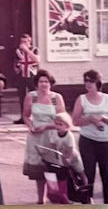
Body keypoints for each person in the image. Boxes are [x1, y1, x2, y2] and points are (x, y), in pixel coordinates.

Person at [71, 69, 108, 204]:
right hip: (88, 141)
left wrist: (104, 118)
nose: (88, 84)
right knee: (88, 174)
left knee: (107, 175)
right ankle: (87, 202)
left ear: (98, 82)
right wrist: (90, 119)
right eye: (85, 81)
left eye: (91, 81)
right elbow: (75, 121)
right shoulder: (81, 99)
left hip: (106, 141)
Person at [21, 69, 66, 204]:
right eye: (41, 81)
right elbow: (25, 115)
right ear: (36, 83)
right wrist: (30, 125)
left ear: (50, 83)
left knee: (52, 169)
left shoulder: (56, 98)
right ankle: (41, 199)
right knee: (39, 170)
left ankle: (54, 197)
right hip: (36, 137)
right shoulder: (31, 96)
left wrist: (46, 127)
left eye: (46, 81)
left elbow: (62, 121)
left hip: (52, 136)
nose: (43, 84)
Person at [13, 34, 39, 124]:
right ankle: (23, 117)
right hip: (22, 75)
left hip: (32, 75)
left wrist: (27, 50)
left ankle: (35, 116)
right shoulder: (18, 51)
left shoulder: (35, 49)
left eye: (25, 41)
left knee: (34, 96)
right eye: (22, 42)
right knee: (22, 96)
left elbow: (37, 60)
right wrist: (16, 67)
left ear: (30, 41)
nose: (23, 43)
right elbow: (16, 62)